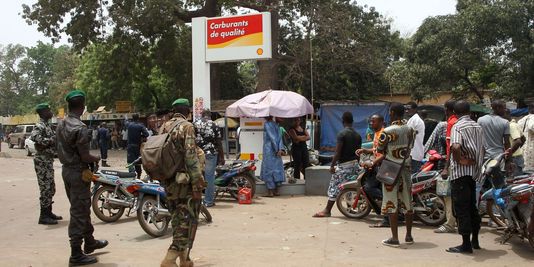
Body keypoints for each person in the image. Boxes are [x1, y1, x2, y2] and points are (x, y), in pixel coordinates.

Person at [56, 90, 108, 265]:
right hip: (79, 172)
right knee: (79, 212)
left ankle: (90, 242)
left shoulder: (61, 124)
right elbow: (85, 156)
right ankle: (76, 254)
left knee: (81, 207)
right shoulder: (80, 127)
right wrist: (97, 158)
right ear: (83, 105)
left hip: (67, 171)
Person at [159, 98, 205, 267]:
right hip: (184, 182)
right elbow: (191, 157)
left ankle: (184, 258)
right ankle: (169, 259)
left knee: (177, 220)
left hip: (168, 181)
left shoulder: (164, 126)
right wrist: (197, 184)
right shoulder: (187, 127)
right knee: (186, 219)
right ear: (188, 111)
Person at [365, 103, 414, 247]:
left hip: (391, 168)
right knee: (407, 202)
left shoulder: (387, 131)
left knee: (391, 202)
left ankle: (394, 238)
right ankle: (409, 236)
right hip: (406, 168)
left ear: (392, 112)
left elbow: (380, 149)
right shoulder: (411, 129)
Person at [446, 100, 484, 254]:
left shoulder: (458, 126)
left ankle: (465, 245)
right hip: (474, 172)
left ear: (455, 113)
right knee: (472, 207)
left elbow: (455, 146)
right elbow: (483, 148)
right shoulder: (477, 126)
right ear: (469, 111)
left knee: (461, 209)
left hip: (460, 173)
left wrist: (459, 160)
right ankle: (475, 240)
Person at [313, 112, 361, 217]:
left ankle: (327, 210)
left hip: (344, 165)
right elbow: (358, 153)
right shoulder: (357, 135)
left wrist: (332, 165)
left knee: (334, 187)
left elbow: (338, 152)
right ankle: (350, 208)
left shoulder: (342, 134)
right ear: (352, 121)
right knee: (349, 188)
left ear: (342, 121)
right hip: (355, 165)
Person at [30, 103, 62, 225]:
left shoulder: (47, 125)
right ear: (43, 112)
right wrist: (50, 141)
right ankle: (43, 216)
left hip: (47, 160)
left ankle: (48, 212)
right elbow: (35, 138)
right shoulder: (40, 125)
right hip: (42, 161)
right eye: (48, 110)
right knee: (45, 188)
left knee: (51, 188)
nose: (50, 111)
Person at [435, 99, 458, 234]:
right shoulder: (467, 123)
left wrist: (445, 167)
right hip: (467, 166)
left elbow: (451, 148)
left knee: (448, 194)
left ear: (446, 110)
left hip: (453, 164)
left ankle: (450, 223)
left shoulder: (451, 123)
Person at [194, 109, 224, 208]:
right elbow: (219, 142)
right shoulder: (215, 125)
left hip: (197, 153)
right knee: (209, 177)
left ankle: (195, 200)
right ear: (210, 115)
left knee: (196, 176)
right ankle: (208, 201)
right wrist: (222, 157)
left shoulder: (195, 124)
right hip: (211, 153)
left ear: (202, 115)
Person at [477, 100, 510, 188]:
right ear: (498, 108)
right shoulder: (505, 122)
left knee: (484, 185)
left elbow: (478, 139)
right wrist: (509, 160)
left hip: (484, 158)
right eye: (504, 107)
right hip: (499, 158)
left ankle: (488, 201)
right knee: (499, 185)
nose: (505, 110)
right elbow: (507, 143)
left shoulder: (481, 120)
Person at [357, 114, 385, 201]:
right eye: (371, 121)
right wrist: (365, 150)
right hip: (377, 164)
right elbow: (376, 149)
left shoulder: (383, 134)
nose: (371, 123)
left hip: (382, 165)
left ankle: (387, 201)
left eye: (374, 121)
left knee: (368, 188)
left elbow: (385, 153)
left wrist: (372, 163)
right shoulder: (376, 133)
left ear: (381, 122)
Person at [260, 116, 286, 197]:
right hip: (276, 150)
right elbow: (279, 138)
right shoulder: (276, 125)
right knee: (277, 169)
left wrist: (276, 149)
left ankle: (270, 192)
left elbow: (273, 138)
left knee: (269, 169)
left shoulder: (267, 124)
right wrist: (280, 149)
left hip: (269, 150)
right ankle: (277, 191)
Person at [127, 114, 149, 179]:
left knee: (130, 161)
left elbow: (125, 122)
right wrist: (141, 136)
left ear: (132, 118)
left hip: (130, 146)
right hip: (138, 146)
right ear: (138, 118)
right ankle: (139, 176)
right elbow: (147, 134)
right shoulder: (141, 126)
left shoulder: (129, 125)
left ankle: (131, 176)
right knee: (138, 161)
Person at [406, 102, 425, 173]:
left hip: (413, 154)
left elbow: (407, 135)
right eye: (406, 109)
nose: (406, 111)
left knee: (412, 179)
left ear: (415, 109)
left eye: (409, 109)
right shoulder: (413, 119)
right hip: (414, 154)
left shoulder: (415, 120)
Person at [504, 109, 525, 176]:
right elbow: (523, 139)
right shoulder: (514, 124)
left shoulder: (511, 126)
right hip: (516, 156)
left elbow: (518, 141)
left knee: (515, 180)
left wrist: (509, 153)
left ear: (507, 115)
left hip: (514, 158)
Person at [517, 103, 534, 172]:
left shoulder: (521, 120)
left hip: (523, 147)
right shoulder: (533, 118)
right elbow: (532, 126)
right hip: (531, 148)